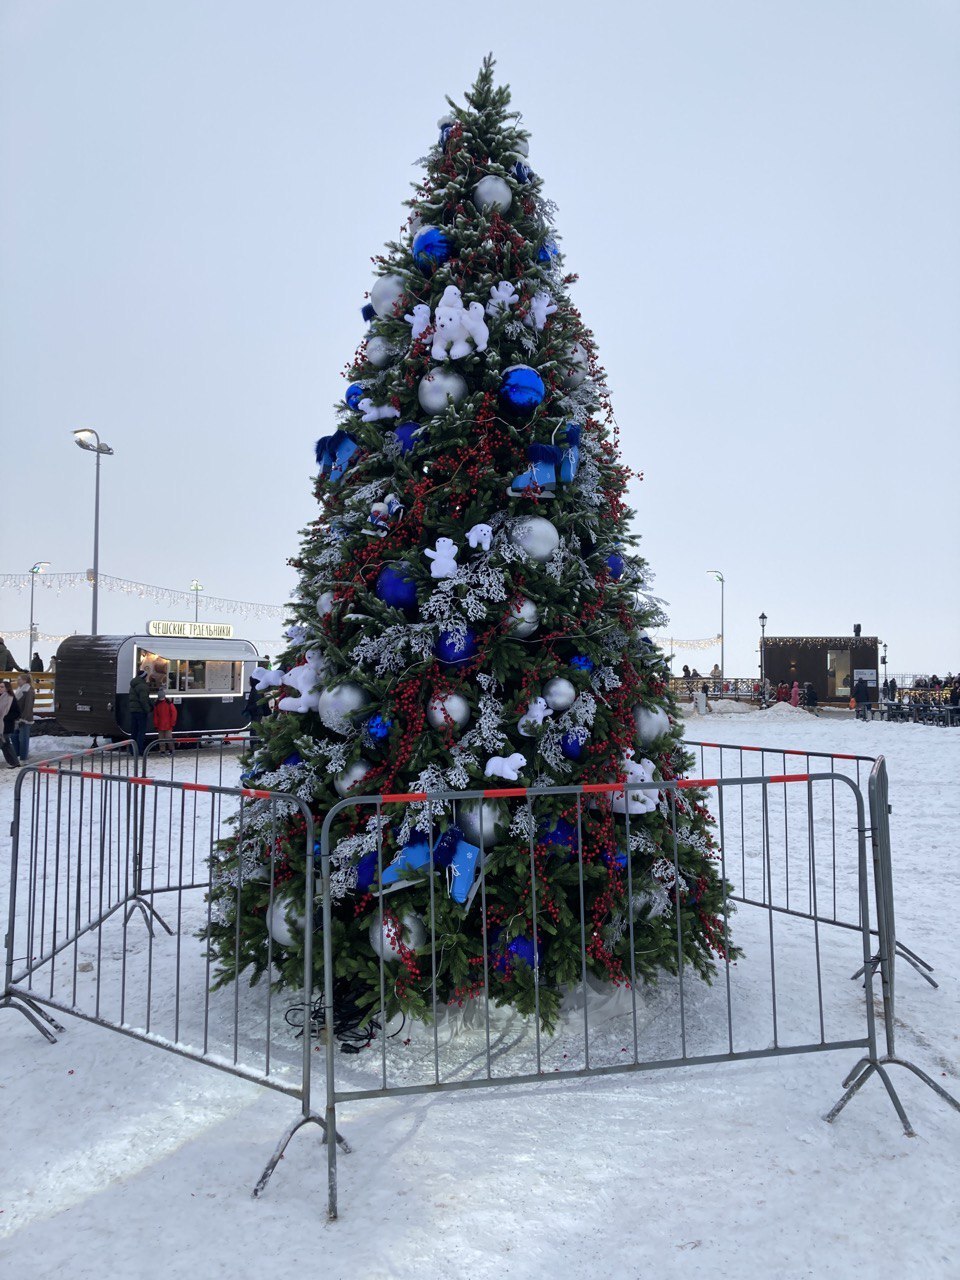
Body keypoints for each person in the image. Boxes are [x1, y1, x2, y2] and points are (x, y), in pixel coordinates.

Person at [128, 668, 152, 755]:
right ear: (144, 677)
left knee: (134, 731)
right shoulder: (143, 686)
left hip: (133, 711)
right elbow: (144, 700)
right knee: (141, 731)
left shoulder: (133, 684)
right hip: (141, 711)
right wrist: (148, 710)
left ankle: (132, 749)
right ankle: (139, 750)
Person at [14, 673, 35, 762]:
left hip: (25, 719)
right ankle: (17, 756)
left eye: (19, 679)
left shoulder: (29, 691)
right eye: (17, 679)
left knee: (23, 739)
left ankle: (23, 758)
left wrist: (24, 718)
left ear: (25, 681)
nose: (17, 681)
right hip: (16, 718)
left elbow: (28, 706)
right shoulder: (19, 690)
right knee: (14, 737)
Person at [1, 679, 21, 766]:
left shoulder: (10, 698)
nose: (0, 688)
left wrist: (5, 717)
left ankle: (14, 763)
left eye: (2, 687)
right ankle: (14, 763)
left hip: (6, 725)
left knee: (5, 744)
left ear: (7, 688)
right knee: (5, 745)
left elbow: (17, 712)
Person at [152, 688, 178, 753]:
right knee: (169, 738)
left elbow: (155, 716)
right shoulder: (169, 704)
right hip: (168, 724)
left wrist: (156, 724)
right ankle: (171, 750)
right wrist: (172, 723)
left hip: (161, 725)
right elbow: (174, 713)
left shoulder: (157, 705)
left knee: (161, 739)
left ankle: (163, 751)